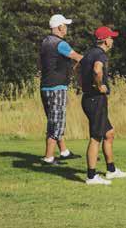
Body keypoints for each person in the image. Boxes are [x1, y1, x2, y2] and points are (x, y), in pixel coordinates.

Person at [79, 26, 126, 185]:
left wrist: (84, 85)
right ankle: (91, 176)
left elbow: (76, 68)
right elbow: (97, 70)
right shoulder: (100, 54)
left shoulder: (89, 53)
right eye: (111, 38)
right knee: (96, 137)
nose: (112, 40)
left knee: (109, 133)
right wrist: (99, 85)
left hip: (89, 99)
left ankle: (111, 170)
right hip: (95, 99)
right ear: (105, 40)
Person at [39, 14, 83, 165]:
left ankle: (63, 152)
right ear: (60, 27)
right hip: (57, 87)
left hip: (45, 87)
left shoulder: (45, 42)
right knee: (57, 122)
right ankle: (49, 157)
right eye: (65, 25)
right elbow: (78, 57)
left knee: (53, 119)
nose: (67, 28)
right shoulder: (61, 44)